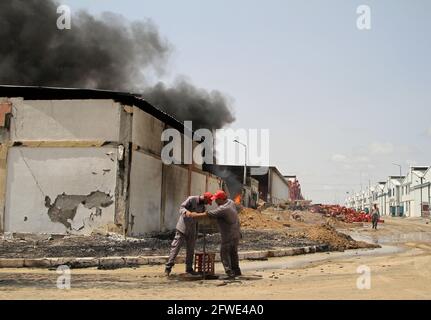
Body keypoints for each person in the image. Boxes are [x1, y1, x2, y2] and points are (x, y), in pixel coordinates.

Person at [187, 190, 241, 279]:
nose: (215, 201)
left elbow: (207, 214)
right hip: (236, 233)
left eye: (216, 199)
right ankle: (237, 271)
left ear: (220, 199)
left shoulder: (223, 209)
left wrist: (193, 215)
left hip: (228, 235)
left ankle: (229, 272)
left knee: (224, 253)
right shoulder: (230, 202)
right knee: (233, 252)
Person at [165, 192, 213, 276]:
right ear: (205, 197)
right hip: (182, 228)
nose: (208, 203)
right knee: (175, 248)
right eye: (207, 201)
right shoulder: (191, 199)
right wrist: (188, 213)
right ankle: (168, 267)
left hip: (192, 229)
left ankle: (189, 269)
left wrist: (204, 216)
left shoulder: (203, 207)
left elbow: (200, 217)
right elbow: (181, 208)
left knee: (190, 250)